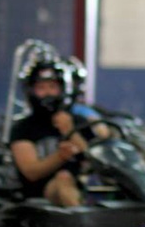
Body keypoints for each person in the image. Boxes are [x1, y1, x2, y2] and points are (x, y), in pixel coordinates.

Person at [9, 59, 101, 207]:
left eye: (53, 87)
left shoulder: (79, 122)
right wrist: (60, 157)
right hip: (42, 193)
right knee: (63, 178)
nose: (48, 93)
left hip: (86, 186)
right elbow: (30, 171)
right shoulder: (23, 128)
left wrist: (70, 131)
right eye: (41, 88)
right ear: (31, 91)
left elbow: (97, 160)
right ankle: (83, 221)